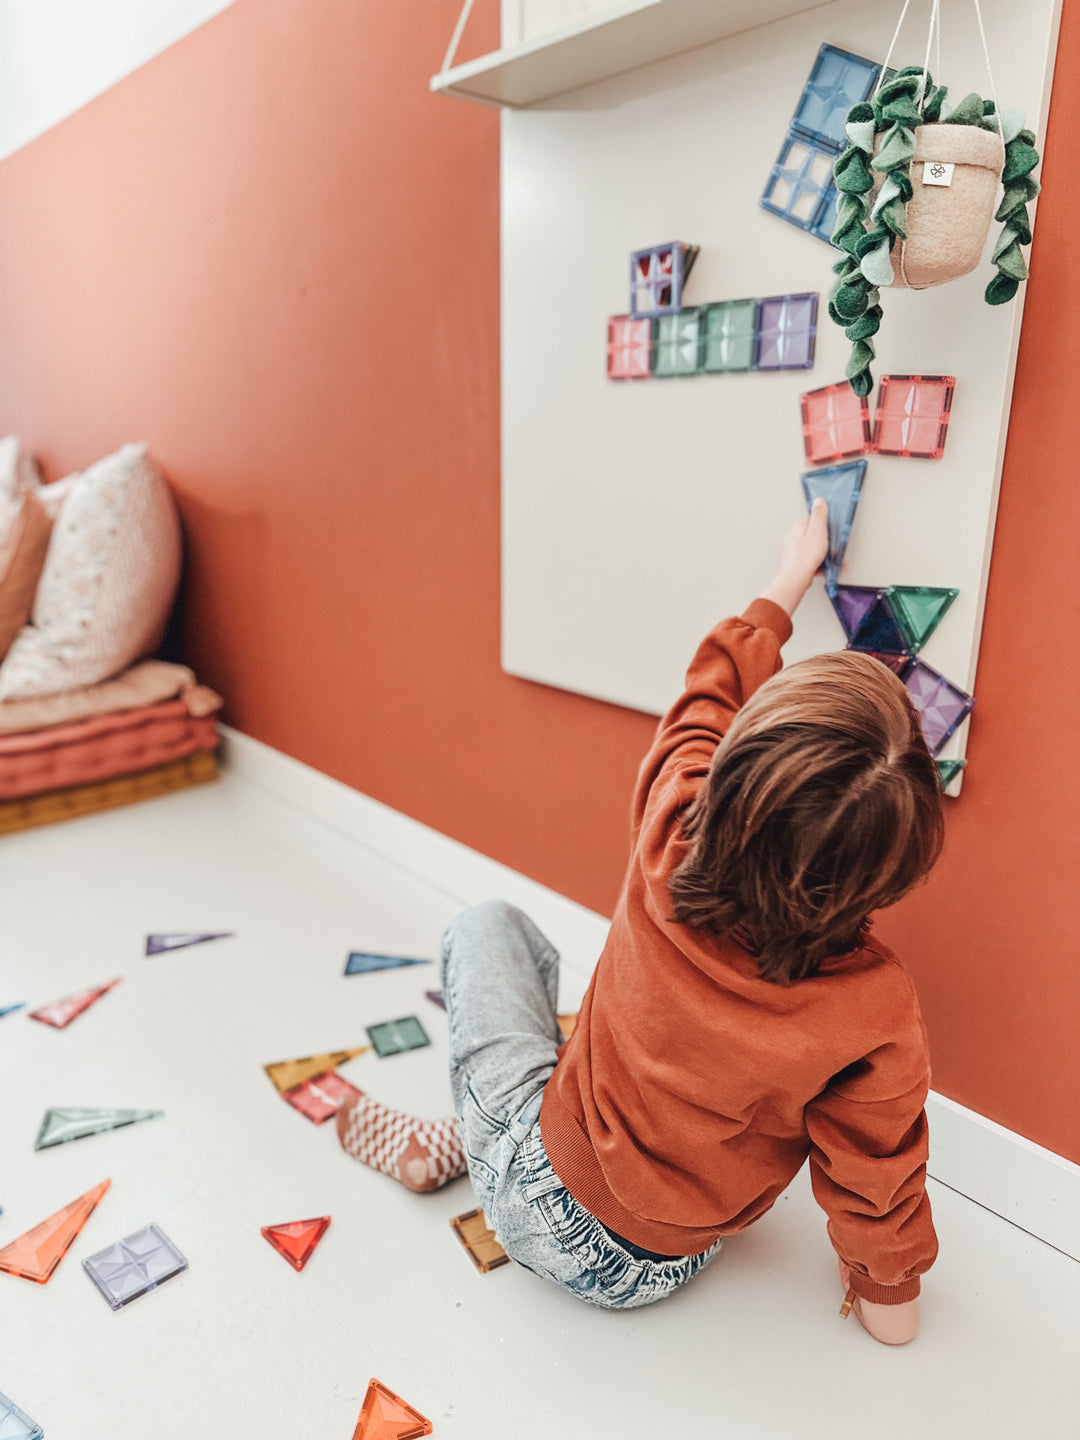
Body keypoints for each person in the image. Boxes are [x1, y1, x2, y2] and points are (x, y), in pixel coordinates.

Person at [337, 498, 942, 1345]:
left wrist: (786, 582)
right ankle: (481, 1144)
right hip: (661, 1265)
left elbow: (704, 698)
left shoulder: (671, 833)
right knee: (592, 1048)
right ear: (895, 871)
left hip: (538, 1180)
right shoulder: (874, 1008)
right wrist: (891, 1296)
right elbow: (877, 1163)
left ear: (731, 775)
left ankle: (477, 1152)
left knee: (488, 924)